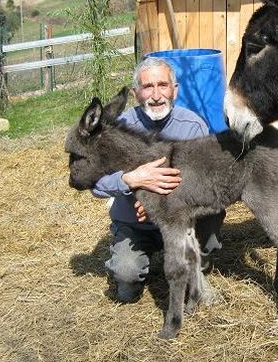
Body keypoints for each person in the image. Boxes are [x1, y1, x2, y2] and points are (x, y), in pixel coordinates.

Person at [91, 56, 225, 303]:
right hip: (136, 224)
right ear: (135, 93)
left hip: (183, 223)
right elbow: (96, 185)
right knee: (126, 285)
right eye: (147, 87)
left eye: (162, 85)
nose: (156, 95)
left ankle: (195, 260)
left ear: (175, 89)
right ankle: (135, 263)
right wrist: (131, 180)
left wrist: (158, 200)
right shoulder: (116, 129)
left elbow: (208, 181)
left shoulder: (193, 127)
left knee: (214, 210)